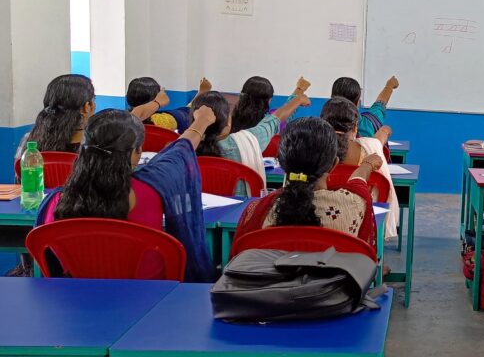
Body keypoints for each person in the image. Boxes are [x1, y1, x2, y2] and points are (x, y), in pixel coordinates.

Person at [36, 107, 220, 282]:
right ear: (135, 152)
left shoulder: (55, 202)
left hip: (75, 297)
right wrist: (201, 122)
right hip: (151, 296)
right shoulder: (151, 189)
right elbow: (178, 153)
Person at [233, 117, 384, 252]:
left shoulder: (260, 210)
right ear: (334, 164)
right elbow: (358, 183)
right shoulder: (353, 204)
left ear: (282, 163)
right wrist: (367, 165)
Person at [191, 77, 311, 196]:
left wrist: (201, 93)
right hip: (242, 205)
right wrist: (298, 96)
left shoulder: (185, 147)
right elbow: (276, 118)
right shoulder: (246, 139)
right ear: (227, 122)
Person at [320, 96, 400, 239]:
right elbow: (384, 195)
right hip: (361, 221)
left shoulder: (313, 149)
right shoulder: (371, 148)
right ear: (355, 127)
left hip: (319, 218)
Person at [127, 77, 213, 132]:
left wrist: (200, 93)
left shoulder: (123, 118)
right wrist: (158, 102)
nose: (163, 91)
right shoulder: (161, 121)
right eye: (160, 90)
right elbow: (185, 114)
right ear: (154, 96)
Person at [332, 75, 400, 138]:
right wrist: (389, 86)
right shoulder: (369, 123)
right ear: (357, 103)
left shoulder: (326, 127)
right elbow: (380, 104)